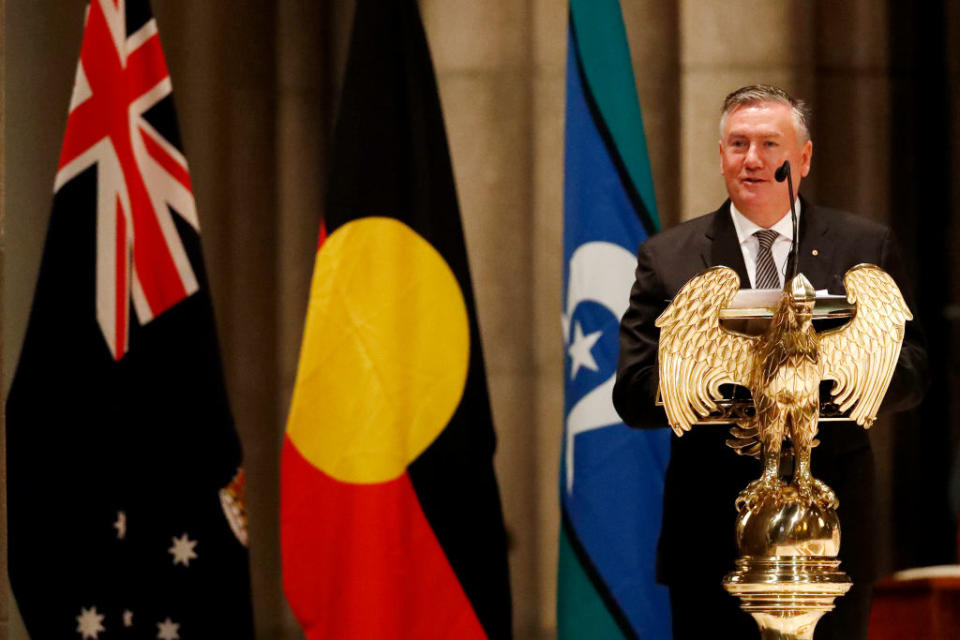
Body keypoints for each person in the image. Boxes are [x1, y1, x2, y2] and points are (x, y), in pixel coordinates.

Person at [612, 85, 929, 640]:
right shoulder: (671, 257)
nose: (752, 160)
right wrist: (737, 382)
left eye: (769, 144)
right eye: (738, 144)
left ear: (802, 158)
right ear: (720, 156)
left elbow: (913, 375)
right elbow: (634, 393)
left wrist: (824, 376)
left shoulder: (863, 247)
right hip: (711, 531)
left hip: (828, 534)